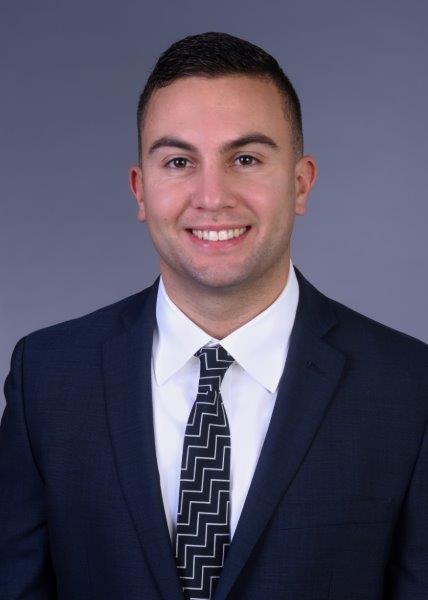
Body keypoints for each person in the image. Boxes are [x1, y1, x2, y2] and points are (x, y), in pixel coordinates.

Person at [0, 30, 427, 600]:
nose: (212, 196)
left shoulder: (407, 387)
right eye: (179, 161)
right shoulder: (47, 380)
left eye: (245, 158)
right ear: (141, 190)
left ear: (300, 183)